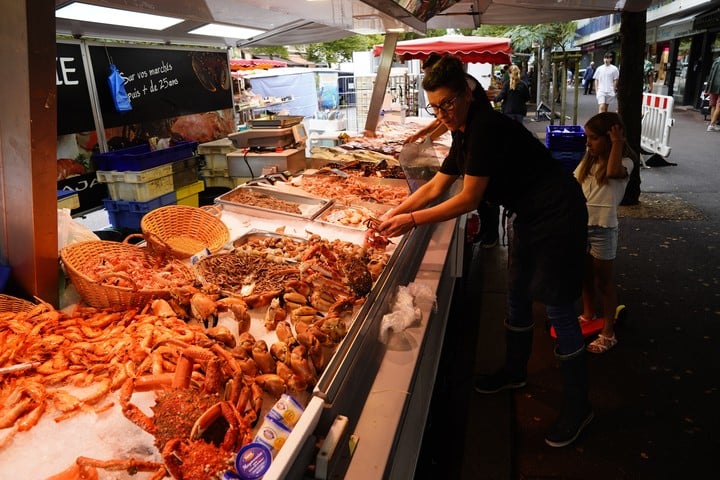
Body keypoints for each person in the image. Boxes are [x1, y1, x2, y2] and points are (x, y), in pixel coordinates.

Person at [376, 55, 592, 448]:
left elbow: (469, 199)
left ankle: (579, 406)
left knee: (559, 307)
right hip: (527, 214)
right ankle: (514, 370)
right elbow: (435, 187)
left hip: (558, 213)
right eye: (435, 107)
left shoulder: (486, 128)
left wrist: (410, 223)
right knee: (517, 294)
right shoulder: (462, 132)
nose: (442, 113)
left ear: (467, 94)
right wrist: (393, 212)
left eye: (448, 104)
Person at [574, 112, 635, 354]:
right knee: (585, 276)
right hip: (582, 226)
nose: (588, 143)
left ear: (610, 137)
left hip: (603, 229)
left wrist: (618, 143)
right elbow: (575, 186)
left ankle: (608, 332)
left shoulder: (626, 162)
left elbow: (612, 173)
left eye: (594, 138)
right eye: (587, 138)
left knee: (604, 281)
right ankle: (589, 314)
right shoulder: (588, 160)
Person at [704, 55, 720, 132]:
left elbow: (711, 75)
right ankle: (711, 125)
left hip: (713, 85)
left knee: (713, 105)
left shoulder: (716, 61)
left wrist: (707, 88)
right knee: (719, 106)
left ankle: (712, 123)